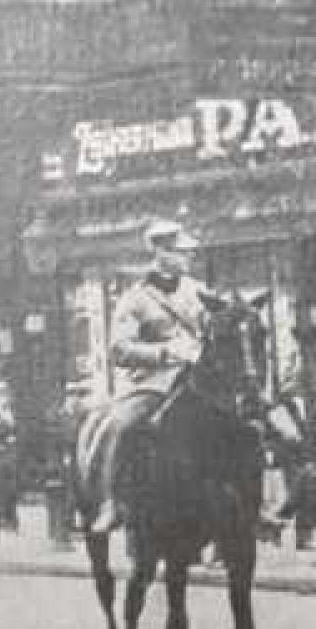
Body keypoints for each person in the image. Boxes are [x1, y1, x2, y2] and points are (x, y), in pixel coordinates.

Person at [92, 218, 212, 533]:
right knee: (121, 426)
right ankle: (111, 500)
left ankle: (256, 502)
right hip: (151, 382)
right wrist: (164, 352)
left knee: (246, 418)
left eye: (189, 253)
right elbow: (119, 348)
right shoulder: (135, 298)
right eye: (180, 252)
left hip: (196, 377)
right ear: (159, 251)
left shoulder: (199, 291)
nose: (188, 258)